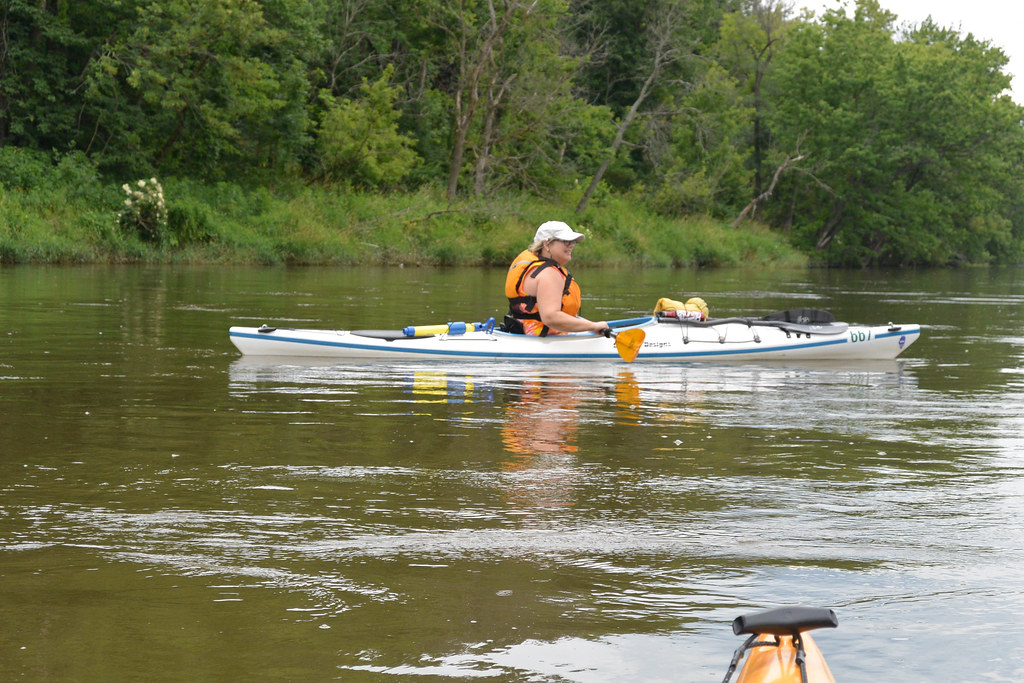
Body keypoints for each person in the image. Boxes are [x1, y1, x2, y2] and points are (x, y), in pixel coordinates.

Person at [504, 221, 609, 336]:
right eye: (566, 241)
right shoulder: (548, 273)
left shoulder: (533, 268)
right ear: (546, 244)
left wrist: (591, 325)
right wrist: (593, 326)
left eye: (573, 242)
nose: (571, 245)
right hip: (543, 338)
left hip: (521, 331)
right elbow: (551, 317)